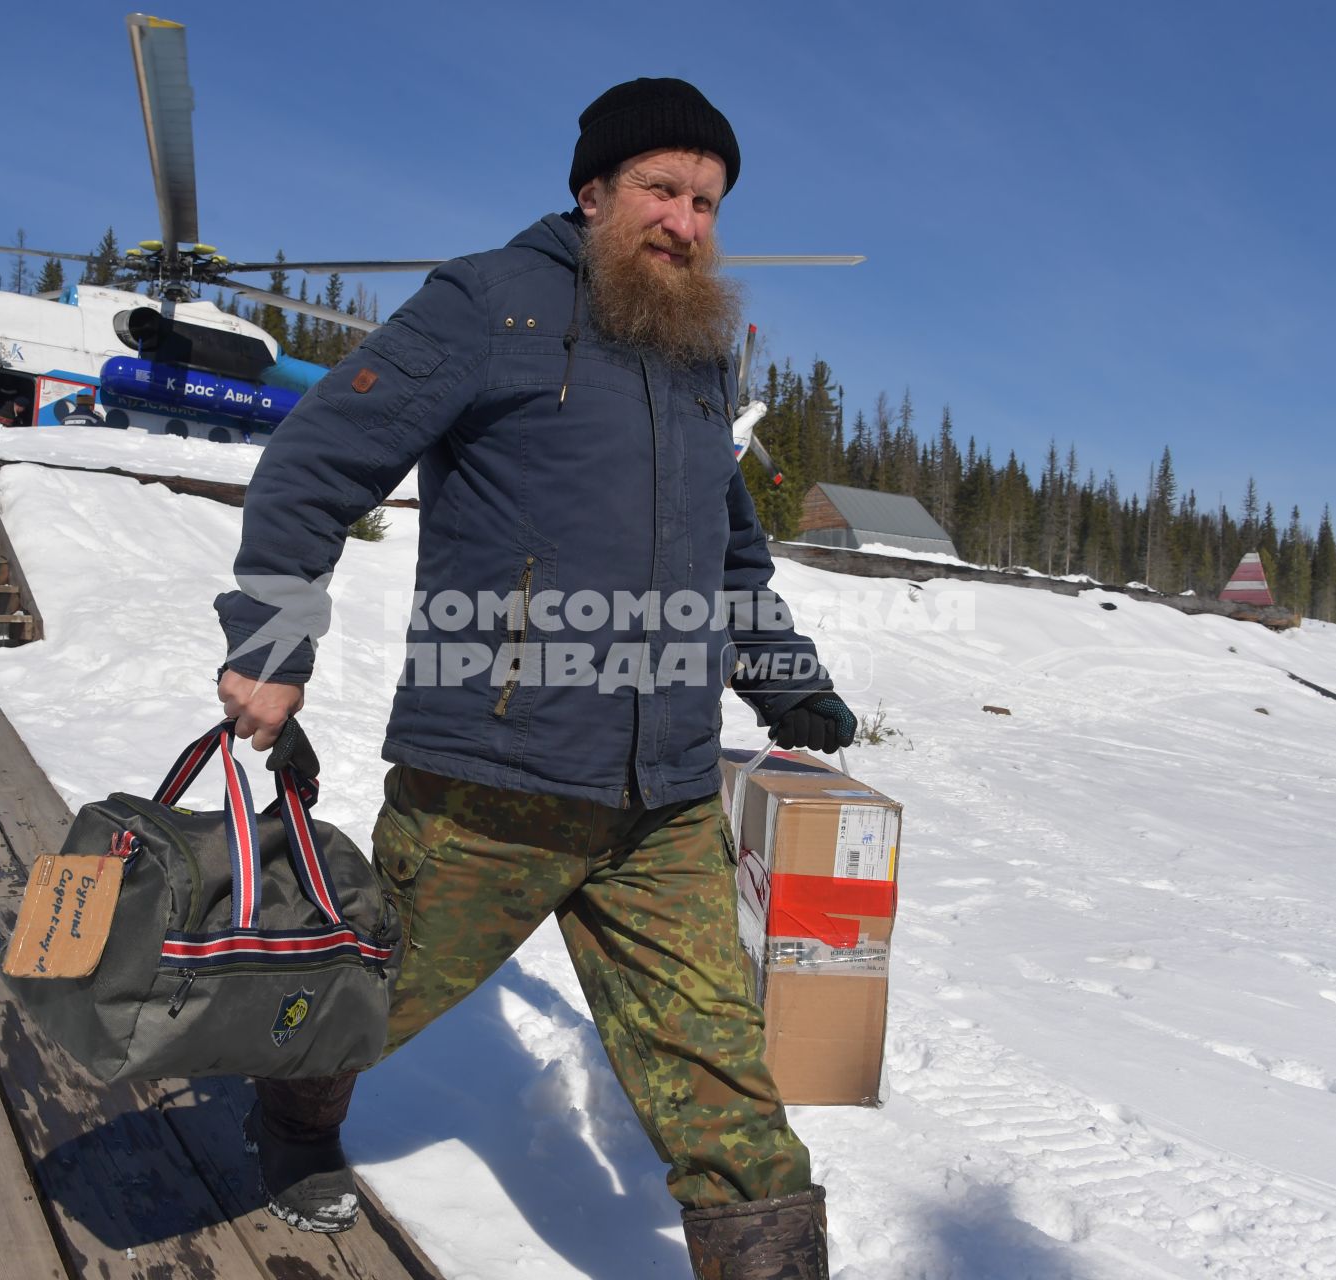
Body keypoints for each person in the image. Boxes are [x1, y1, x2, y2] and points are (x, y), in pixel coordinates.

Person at [214, 77, 856, 1279]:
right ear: (594, 190)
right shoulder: (487, 302)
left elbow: (729, 554)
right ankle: (290, 1113)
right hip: (490, 786)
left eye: (709, 202)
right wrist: (270, 645)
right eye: (663, 189)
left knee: (724, 1080)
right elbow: (313, 462)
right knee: (363, 998)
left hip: (661, 801)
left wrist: (782, 677)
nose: (687, 222)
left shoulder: (701, 349)